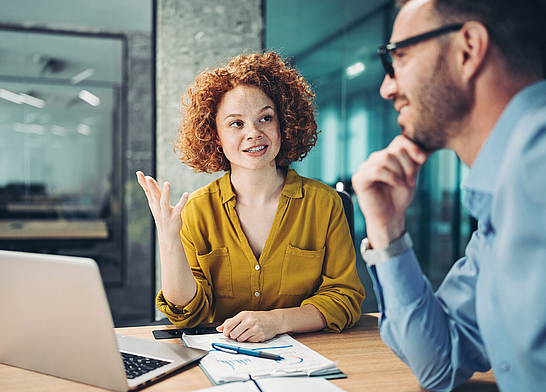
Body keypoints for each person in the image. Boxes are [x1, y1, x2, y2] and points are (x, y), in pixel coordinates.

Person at [351, 0, 546, 390]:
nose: (386, 87)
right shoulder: (501, 197)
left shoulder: (536, 157)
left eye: (399, 58)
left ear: (468, 49)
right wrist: (387, 230)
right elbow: (440, 362)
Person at [137, 52, 364, 343]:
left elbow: (345, 297)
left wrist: (276, 321)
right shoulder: (196, 210)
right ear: (214, 135)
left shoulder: (325, 203)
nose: (254, 133)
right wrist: (168, 238)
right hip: (223, 359)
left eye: (265, 118)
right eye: (236, 123)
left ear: (284, 125)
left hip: (311, 359)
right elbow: (187, 314)